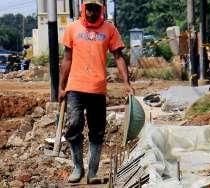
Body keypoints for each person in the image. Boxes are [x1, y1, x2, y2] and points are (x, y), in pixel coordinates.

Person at [58, 0, 134, 184]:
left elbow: (118, 56)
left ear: (101, 9)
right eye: (89, 8)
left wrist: (127, 83)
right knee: (74, 125)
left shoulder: (109, 29)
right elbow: (67, 58)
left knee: (97, 131)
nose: (92, 12)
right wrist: (61, 87)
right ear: (83, 8)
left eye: (96, 8)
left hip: (98, 88)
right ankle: (78, 168)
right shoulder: (73, 28)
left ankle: (92, 172)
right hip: (75, 86)